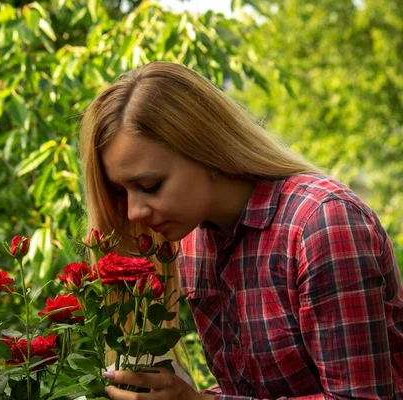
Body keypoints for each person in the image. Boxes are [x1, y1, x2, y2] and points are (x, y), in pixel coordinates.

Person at [79, 61, 403, 399]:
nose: (134, 212)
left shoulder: (321, 225)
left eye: (150, 184)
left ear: (207, 150)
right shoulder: (193, 242)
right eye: (122, 192)